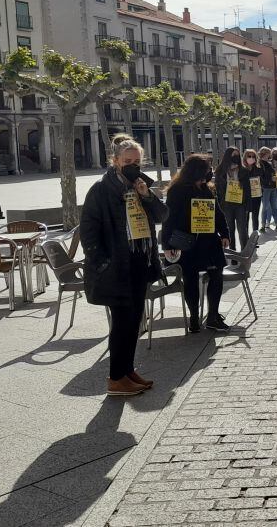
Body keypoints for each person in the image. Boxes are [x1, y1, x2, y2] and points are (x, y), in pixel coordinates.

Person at [80, 137, 169, 396]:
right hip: (116, 266)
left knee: (134, 322)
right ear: (115, 160)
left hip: (140, 261)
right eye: (127, 161)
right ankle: (116, 378)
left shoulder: (141, 187)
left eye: (137, 162)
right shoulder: (101, 189)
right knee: (121, 323)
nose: (132, 165)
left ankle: (128, 371)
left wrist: (147, 195)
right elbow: (89, 231)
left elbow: (162, 215)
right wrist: (102, 261)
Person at [160, 154, 232, 333]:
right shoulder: (177, 190)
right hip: (187, 242)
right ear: (197, 171)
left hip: (209, 241)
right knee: (190, 279)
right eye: (208, 169)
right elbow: (168, 219)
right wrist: (167, 245)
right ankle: (193, 318)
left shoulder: (207, 189)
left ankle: (213, 316)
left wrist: (225, 233)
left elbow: (217, 212)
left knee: (216, 275)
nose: (210, 172)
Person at [216, 147, 250, 251]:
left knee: (242, 229)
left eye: (237, 155)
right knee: (230, 229)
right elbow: (218, 187)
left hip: (240, 204)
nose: (235, 157)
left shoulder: (244, 170)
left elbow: (248, 189)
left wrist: (248, 205)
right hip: (227, 204)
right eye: (233, 155)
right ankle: (232, 252)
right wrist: (220, 203)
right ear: (228, 156)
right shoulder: (220, 170)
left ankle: (244, 252)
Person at [244, 149, 265, 233]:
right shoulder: (242, 169)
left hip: (256, 196)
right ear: (245, 157)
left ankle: (254, 237)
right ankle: (245, 238)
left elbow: (263, 180)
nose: (251, 158)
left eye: (253, 156)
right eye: (249, 156)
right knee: (245, 218)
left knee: (255, 216)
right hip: (245, 197)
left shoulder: (259, 168)